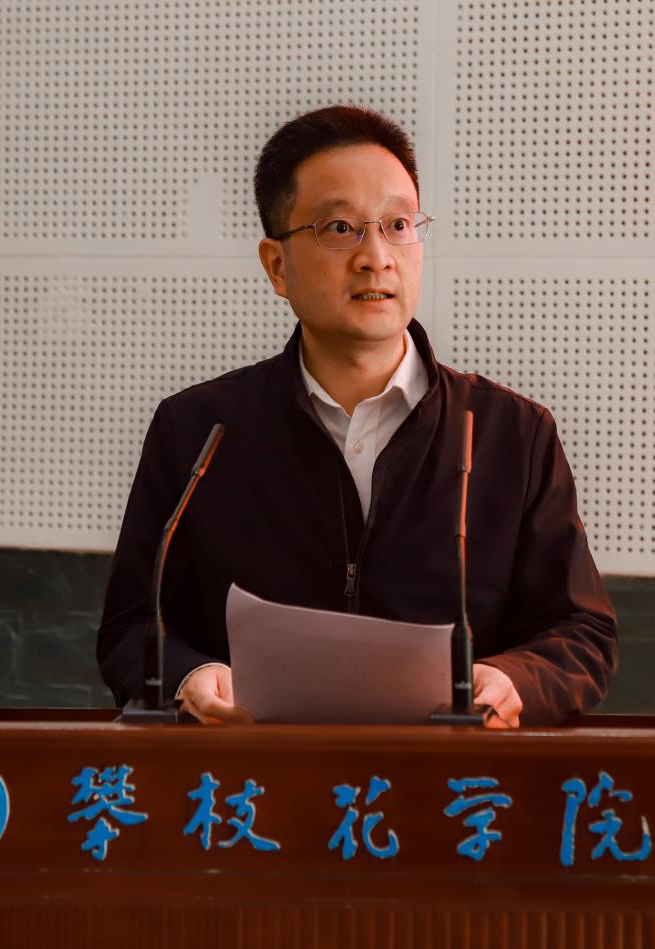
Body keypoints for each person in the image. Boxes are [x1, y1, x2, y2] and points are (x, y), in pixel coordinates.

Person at [98, 104, 617, 728]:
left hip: (450, 776)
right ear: (276, 265)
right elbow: (132, 625)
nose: (377, 256)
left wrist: (514, 680)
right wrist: (187, 675)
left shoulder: (512, 433)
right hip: (254, 776)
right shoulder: (198, 431)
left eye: (398, 224)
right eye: (340, 228)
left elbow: (581, 630)